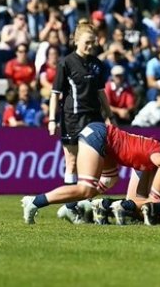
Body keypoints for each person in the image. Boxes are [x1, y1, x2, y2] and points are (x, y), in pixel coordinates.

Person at [21, 123, 160, 224]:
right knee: (85, 188)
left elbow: (138, 196)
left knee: (109, 180)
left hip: (105, 141)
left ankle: (70, 207)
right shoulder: (158, 150)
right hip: (101, 136)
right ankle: (35, 201)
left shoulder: (152, 151)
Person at [48, 22, 113, 200]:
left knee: (95, 162)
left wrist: (109, 116)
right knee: (72, 162)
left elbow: (101, 93)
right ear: (76, 41)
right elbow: (55, 94)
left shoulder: (97, 64)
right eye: (87, 42)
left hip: (94, 118)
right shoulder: (66, 63)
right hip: (73, 118)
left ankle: (86, 202)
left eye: (93, 42)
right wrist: (52, 120)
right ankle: (71, 206)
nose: (91, 46)